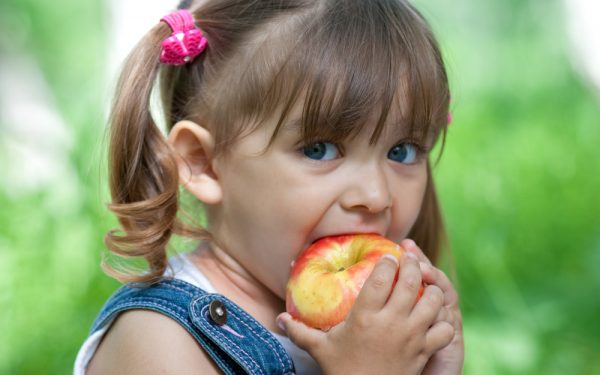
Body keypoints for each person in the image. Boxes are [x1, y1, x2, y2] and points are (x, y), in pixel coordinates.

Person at [75, 0, 464, 373]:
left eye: (403, 151)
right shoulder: (160, 339)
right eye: (319, 149)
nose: (375, 196)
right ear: (204, 163)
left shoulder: (377, 329)